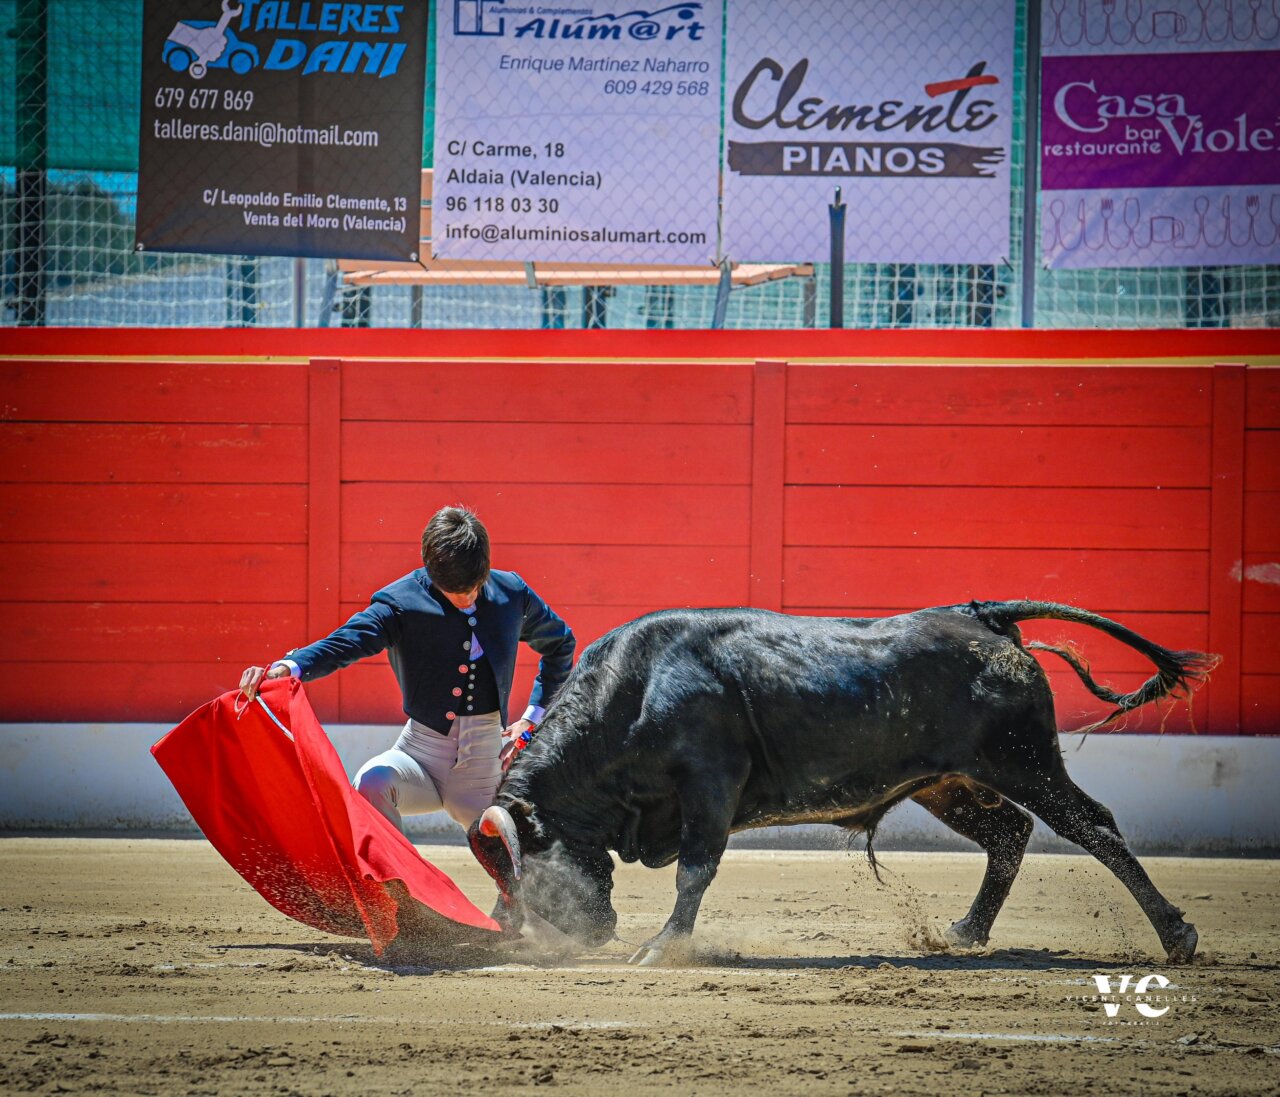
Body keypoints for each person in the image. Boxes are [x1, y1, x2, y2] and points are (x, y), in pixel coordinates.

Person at [239, 505, 575, 835]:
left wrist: (533, 719)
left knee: (512, 848)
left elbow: (560, 644)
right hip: (420, 753)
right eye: (455, 592)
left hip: (484, 765)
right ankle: (394, 875)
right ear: (431, 571)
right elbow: (347, 641)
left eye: (474, 587)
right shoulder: (400, 602)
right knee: (372, 783)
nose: (468, 598)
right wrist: (291, 666)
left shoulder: (511, 593)